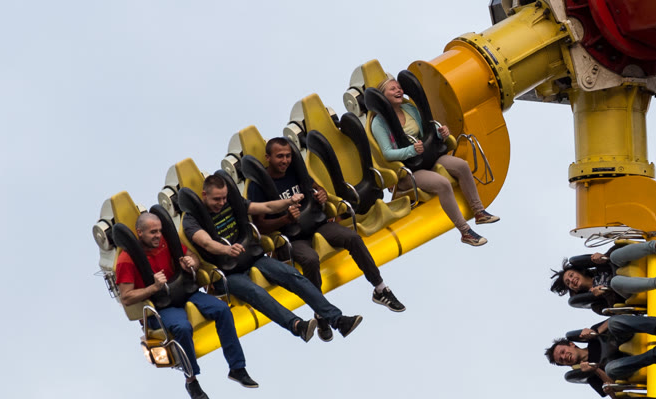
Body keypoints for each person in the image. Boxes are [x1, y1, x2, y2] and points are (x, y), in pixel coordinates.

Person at [184, 171, 363, 340]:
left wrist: (289, 202)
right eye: (217, 199)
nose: (222, 202)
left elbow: (266, 207)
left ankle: (338, 320)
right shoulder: (191, 219)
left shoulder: (231, 202)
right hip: (228, 273)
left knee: (293, 275)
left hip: (252, 258)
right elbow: (206, 242)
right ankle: (297, 326)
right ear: (204, 195)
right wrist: (226, 250)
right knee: (256, 292)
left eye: (224, 198)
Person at [112, 211, 253, 399]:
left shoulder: (166, 241)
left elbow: (192, 256)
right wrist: (153, 288)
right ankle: (191, 380)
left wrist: (192, 263)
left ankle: (237, 368)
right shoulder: (126, 259)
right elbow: (127, 297)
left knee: (221, 309)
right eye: (153, 232)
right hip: (161, 305)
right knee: (182, 328)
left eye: (159, 231)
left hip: (184, 292)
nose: (158, 236)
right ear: (140, 233)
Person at [248, 141, 406, 315]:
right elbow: (259, 227)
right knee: (310, 259)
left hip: (317, 224)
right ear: (268, 157)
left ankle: (380, 289)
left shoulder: (295, 171)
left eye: (288, 156)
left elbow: (316, 187)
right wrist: (285, 219)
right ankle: (321, 311)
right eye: (279, 156)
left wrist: (321, 194)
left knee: (352, 238)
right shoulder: (258, 186)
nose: (285, 160)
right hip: (291, 237)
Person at [368, 78, 496, 245]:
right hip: (409, 170)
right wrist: (411, 151)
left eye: (399, 87)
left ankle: (479, 212)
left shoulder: (409, 109)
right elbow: (387, 154)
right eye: (393, 89)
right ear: (383, 96)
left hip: (427, 156)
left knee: (462, 165)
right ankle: (465, 232)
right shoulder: (378, 123)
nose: (398, 90)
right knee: (442, 184)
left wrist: (440, 132)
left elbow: (427, 129)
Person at [547, 314, 656, 394]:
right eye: (561, 360)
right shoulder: (589, 375)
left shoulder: (592, 339)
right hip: (625, 365)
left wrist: (595, 332)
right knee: (610, 369)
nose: (564, 357)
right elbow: (615, 390)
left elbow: (613, 319)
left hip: (623, 339)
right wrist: (596, 369)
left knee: (614, 322)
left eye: (563, 352)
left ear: (571, 344)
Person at [550, 234, 656, 312]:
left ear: (579, 271)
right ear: (573, 290)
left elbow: (618, 248)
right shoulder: (595, 302)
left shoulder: (598, 269)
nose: (572, 280)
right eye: (568, 283)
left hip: (626, 267)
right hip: (626, 292)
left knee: (614, 256)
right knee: (615, 282)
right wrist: (605, 293)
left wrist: (604, 257)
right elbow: (614, 310)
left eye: (571, 275)